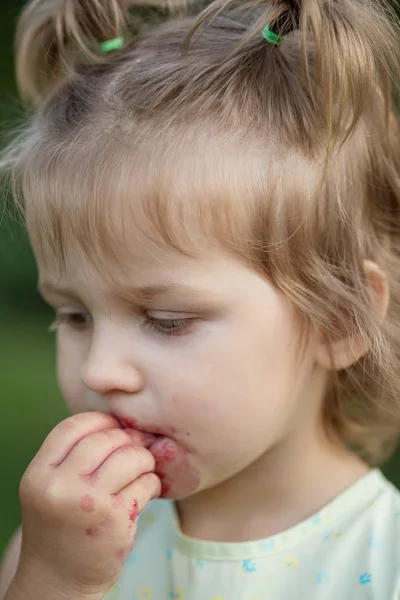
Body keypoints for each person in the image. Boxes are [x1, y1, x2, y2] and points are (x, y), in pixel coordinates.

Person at [1, 0, 400, 598]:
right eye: (75, 315)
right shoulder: (71, 539)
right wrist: (54, 579)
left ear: (340, 320)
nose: (99, 370)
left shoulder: (382, 557)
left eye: (167, 321)